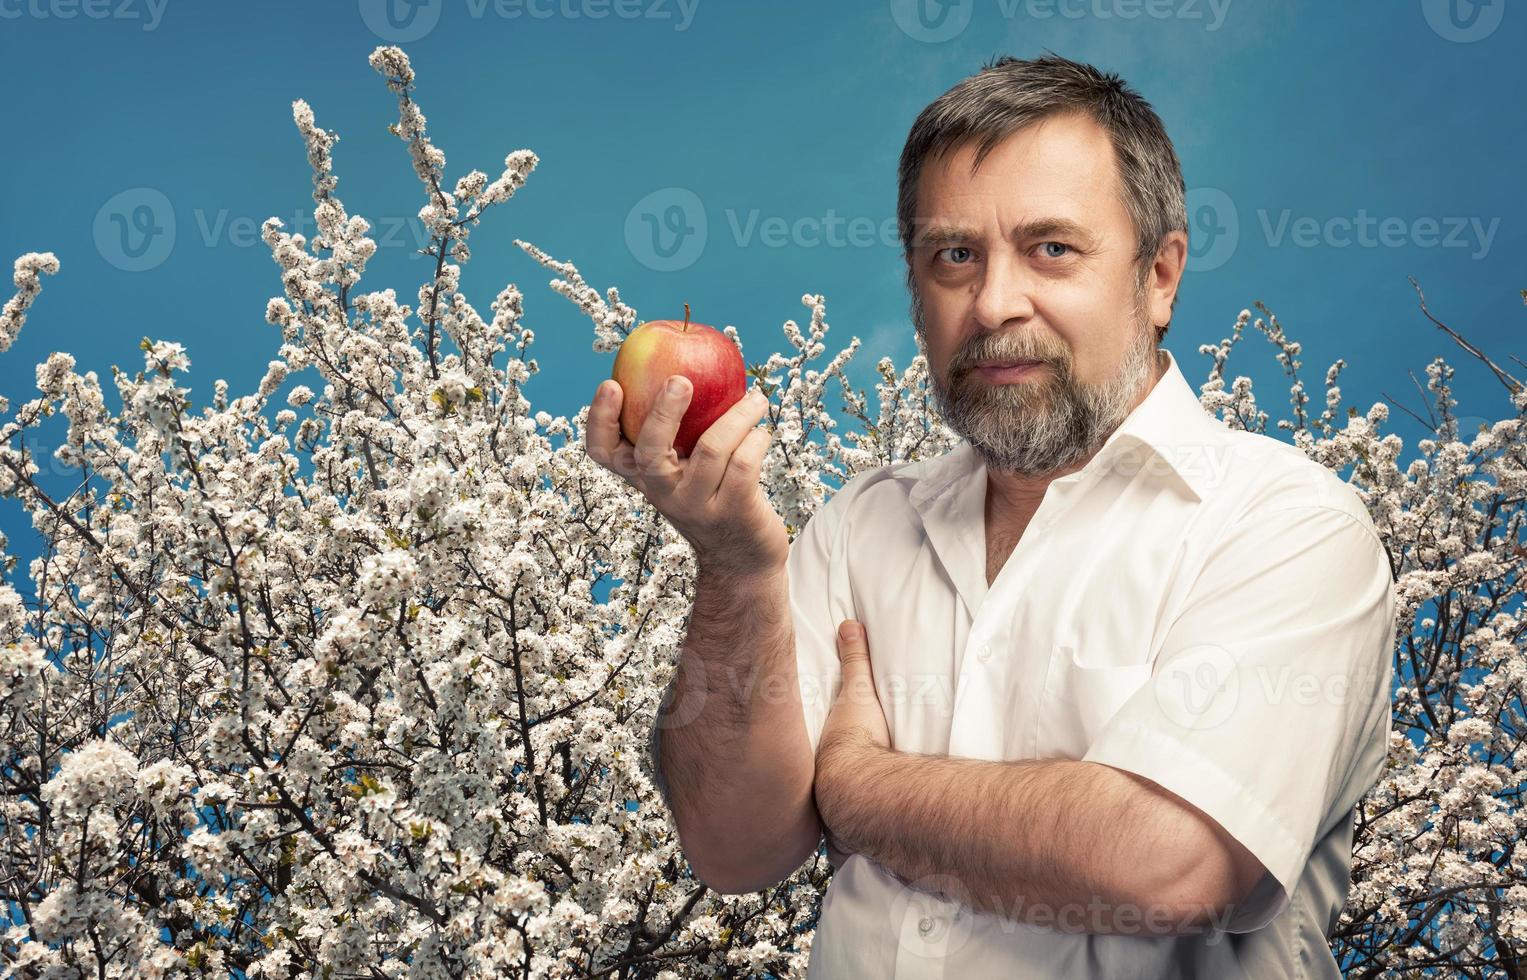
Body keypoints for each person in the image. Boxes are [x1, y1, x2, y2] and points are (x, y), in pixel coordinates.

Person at [586, 53, 1396, 980]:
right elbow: (733, 849)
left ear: (1159, 276)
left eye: (1051, 248)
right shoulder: (859, 527)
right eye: (953, 256)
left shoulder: (1285, 525)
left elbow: (1170, 865)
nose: (994, 303)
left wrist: (855, 786)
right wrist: (733, 566)